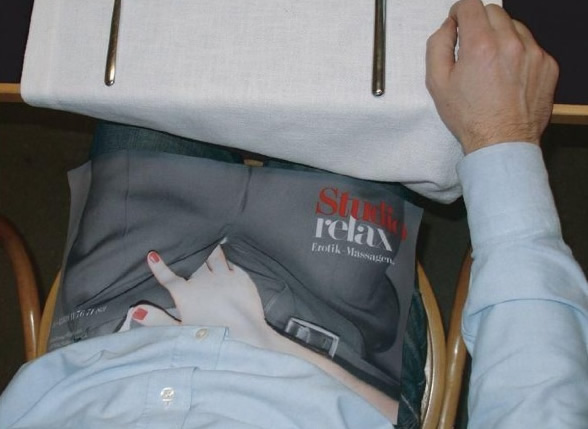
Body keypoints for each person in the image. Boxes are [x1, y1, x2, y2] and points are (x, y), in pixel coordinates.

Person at [1, 1, 587, 429]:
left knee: (151, 47)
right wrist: (502, 139)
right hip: (329, 354)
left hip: (110, 336)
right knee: (365, 76)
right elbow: (535, 404)